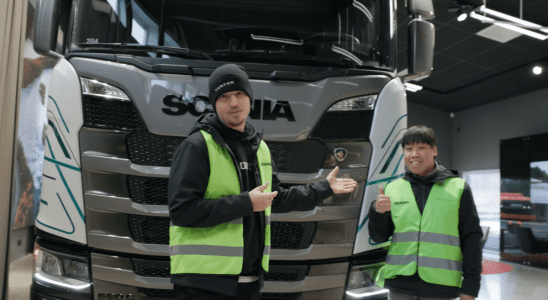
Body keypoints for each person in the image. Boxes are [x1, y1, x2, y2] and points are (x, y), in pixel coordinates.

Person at [168, 64, 358, 300]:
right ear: (214, 103)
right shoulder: (197, 146)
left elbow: (274, 199)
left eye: (239, 94)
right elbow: (181, 211)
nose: (234, 103)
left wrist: (324, 188)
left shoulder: (260, 148)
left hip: (249, 282)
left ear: (250, 97)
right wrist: (246, 203)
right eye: (224, 97)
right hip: (202, 284)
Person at [368, 125, 482, 300]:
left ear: (434, 150)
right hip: (399, 283)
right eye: (408, 149)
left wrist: (471, 286)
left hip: (440, 287)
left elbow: (472, 239)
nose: (414, 154)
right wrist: (377, 213)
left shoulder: (458, 188)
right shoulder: (393, 189)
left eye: (421, 148)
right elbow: (379, 237)